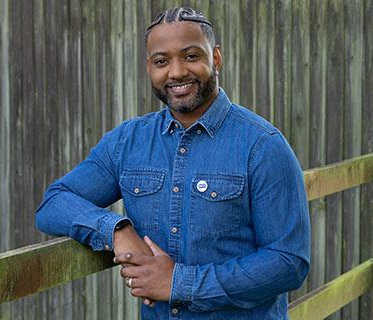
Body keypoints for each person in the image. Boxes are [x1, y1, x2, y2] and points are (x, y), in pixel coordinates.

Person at [36, 7, 310, 319]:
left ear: (216, 58)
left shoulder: (262, 146)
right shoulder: (128, 143)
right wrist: (116, 229)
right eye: (161, 61)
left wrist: (178, 283)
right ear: (149, 67)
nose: (177, 72)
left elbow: (289, 262)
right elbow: (53, 203)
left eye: (191, 56)